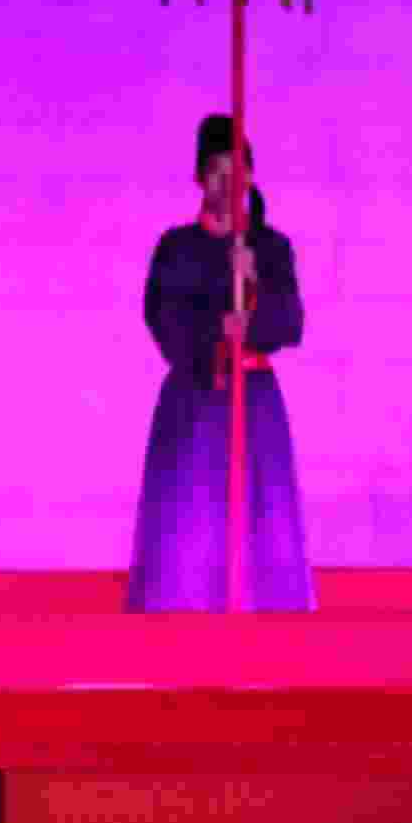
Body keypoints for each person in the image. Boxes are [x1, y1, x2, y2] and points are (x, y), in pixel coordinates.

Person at [127, 115, 311, 611]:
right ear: (198, 178)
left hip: (255, 398)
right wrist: (217, 332)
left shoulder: (270, 247)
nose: (229, 186)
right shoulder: (177, 248)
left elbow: (290, 322)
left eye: (239, 173)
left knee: (261, 505)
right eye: (217, 174)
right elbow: (163, 320)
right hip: (196, 396)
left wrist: (252, 294)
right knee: (189, 510)